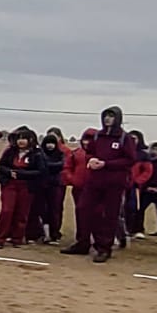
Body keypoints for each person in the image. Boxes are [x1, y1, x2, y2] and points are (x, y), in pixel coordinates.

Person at [62, 107, 137, 263]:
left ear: (118, 118)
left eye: (111, 116)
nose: (108, 119)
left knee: (108, 215)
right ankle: (82, 242)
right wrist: (91, 159)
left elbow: (130, 159)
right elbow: (90, 152)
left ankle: (104, 248)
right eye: (106, 116)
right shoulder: (98, 136)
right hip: (95, 180)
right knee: (83, 208)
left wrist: (107, 164)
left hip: (114, 183)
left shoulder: (124, 138)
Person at [0, 128, 46, 247]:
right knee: (7, 210)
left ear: (30, 140)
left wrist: (22, 174)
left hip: (27, 186)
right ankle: (0, 238)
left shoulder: (37, 154)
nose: (21, 141)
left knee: (22, 213)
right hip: (10, 184)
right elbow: (1, 166)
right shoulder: (10, 152)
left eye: (24, 138)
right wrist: (9, 172)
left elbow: (41, 171)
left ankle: (17, 238)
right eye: (19, 138)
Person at [33, 130, 67, 243]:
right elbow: (41, 166)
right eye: (48, 143)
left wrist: (47, 165)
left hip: (55, 186)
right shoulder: (40, 154)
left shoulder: (60, 154)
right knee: (42, 210)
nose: (50, 145)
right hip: (42, 186)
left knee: (54, 210)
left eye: (52, 143)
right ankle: (44, 233)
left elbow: (61, 165)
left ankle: (54, 234)